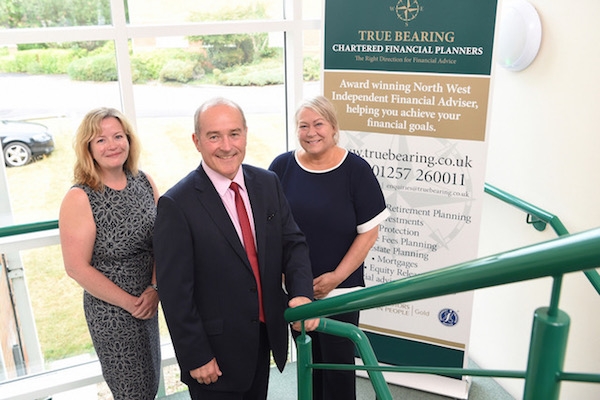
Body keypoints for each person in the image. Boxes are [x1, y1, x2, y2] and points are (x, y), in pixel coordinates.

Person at [153, 97, 318, 400]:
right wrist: (195, 355)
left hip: (263, 336)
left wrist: (301, 293)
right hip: (213, 353)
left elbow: (293, 244)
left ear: (245, 133)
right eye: (214, 136)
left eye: (234, 134)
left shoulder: (267, 183)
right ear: (197, 141)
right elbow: (175, 292)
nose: (227, 146)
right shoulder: (177, 204)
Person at [269, 95, 389, 400]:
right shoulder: (281, 167)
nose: (311, 132)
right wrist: (289, 280)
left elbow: (368, 233)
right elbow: (270, 230)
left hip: (340, 292)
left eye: (318, 124)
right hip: (295, 293)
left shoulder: (356, 170)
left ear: (333, 127)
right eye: (303, 126)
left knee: (338, 372)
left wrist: (335, 277)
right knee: (310, 368)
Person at [58, 107, 161, 400]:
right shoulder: (80, 197)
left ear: (129, 140)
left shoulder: (144, 181)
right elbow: (77, 268)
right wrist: (130, 303)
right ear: (88, 148)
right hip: (112, 312)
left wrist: (154, 289)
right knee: (132, 392)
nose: (112, 145)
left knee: (150, 382)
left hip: (148, 302)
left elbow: (161, 242)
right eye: (101, 140)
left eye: (118, 136)